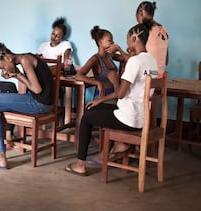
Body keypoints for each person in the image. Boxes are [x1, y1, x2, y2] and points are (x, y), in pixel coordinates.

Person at [64, 23, 158, 176]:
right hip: (142, 117)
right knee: (95, 108)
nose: (124, 43)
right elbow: (122, 92)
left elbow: (120, 94)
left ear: (134, 38)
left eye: (128, 39)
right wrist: (100, 100)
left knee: (86, 118)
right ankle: (119, 144)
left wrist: (111, 86)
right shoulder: (151, 60)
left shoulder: (135, 61)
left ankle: (80, 164)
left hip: (129, 118)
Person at [0, 40, 55, 169]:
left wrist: (18, 74)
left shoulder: (25, 60)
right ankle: (0, 155)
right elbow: (34, 86)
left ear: (8, 57)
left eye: (2, 66)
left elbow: (37, 89)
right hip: (37, 100)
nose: (3, 70)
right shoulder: (26, 57)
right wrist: (16, 75)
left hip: (40, 103)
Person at [75, 26, 120, 101]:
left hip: (115, 94)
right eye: (110, 40)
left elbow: (126, 59)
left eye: (113, 41)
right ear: (100, 42)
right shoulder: (95, 59)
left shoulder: (110, 55)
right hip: (103, 96)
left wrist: (118, 49)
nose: (112, 43)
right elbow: (78, 76)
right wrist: (97, 82)